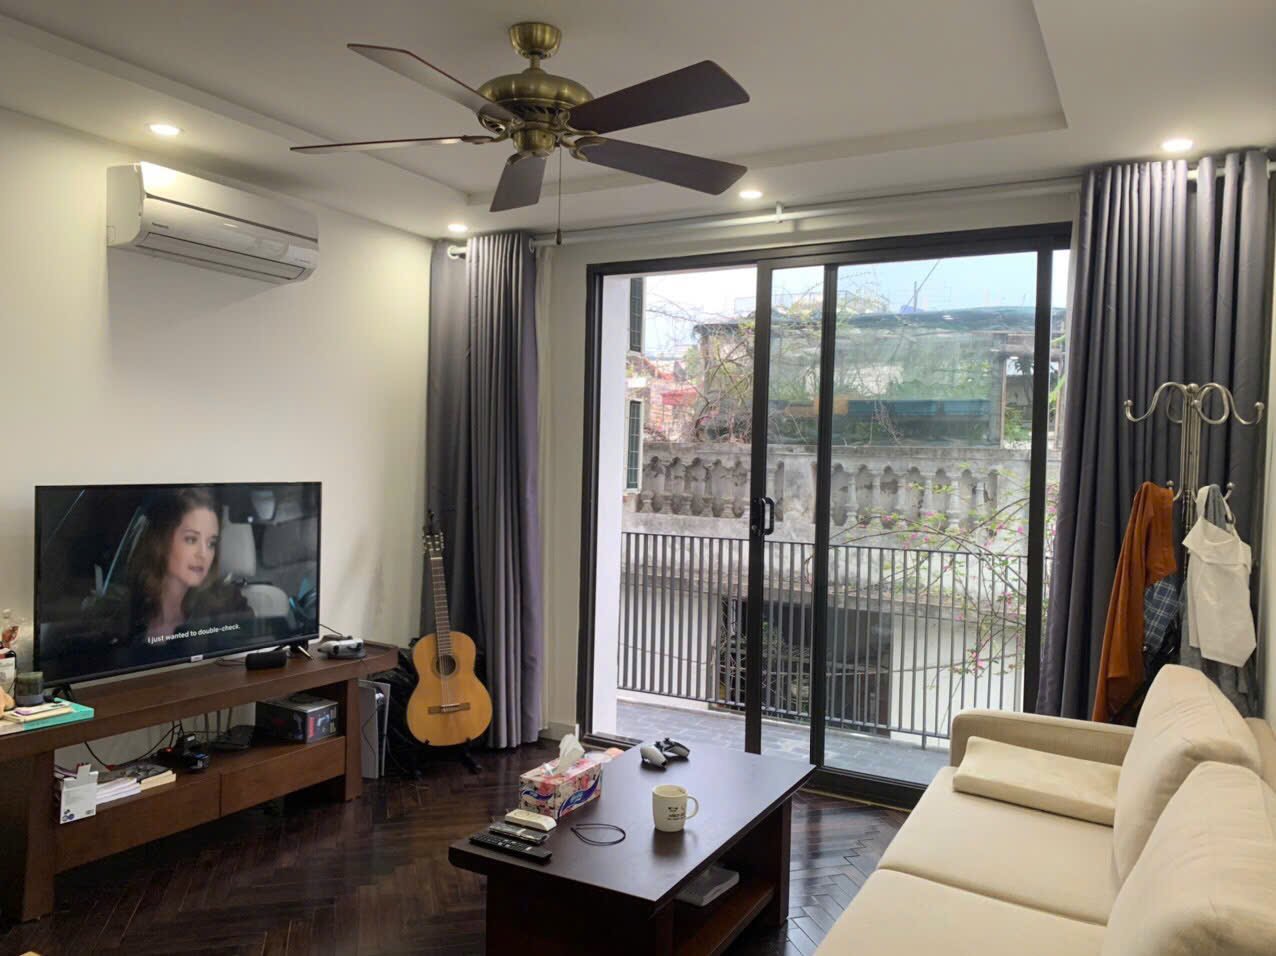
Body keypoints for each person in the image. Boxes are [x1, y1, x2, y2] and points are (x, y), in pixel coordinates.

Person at [127, 488, 247, 639]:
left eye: (211, 543)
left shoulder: (230, 607)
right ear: (162, 542)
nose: (203, 554)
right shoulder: (126, 612)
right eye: (191, 539)